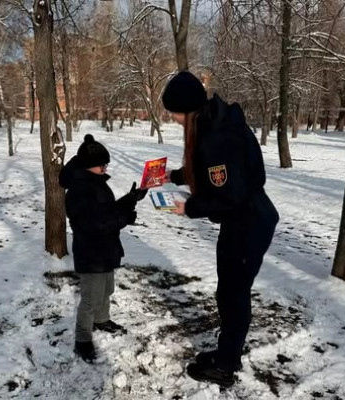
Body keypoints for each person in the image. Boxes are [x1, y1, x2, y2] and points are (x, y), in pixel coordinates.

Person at [161, 71, 279, 387]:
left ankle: (225, 366)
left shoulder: (216, 137)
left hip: (248, 223)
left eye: (173, 111)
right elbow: (210, 172)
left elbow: (229, 196)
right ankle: (226, 353)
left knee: (233, 295)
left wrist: (190, 207)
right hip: (245, 219)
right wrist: (174, 176)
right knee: (229, 292)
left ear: (187, 109)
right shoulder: (214, 123)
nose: (171, 118)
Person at [59, 134, 148, 363]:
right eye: (102, 164)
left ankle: (101, 320)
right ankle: (82, 340)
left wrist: (130, 199)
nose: (105, 167)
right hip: (91, 252)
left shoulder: (93, 182)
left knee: (106, 289)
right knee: (90, 297)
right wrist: (124, 218)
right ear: (89, 166)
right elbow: (95, 223)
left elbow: (106, 211)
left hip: (104, 249)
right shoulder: (79, 190)